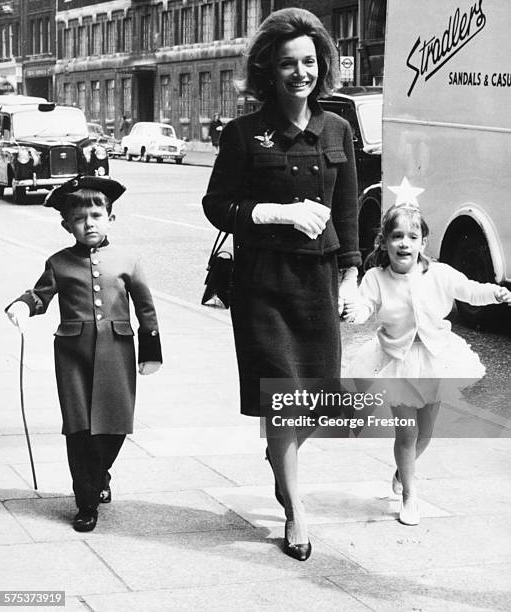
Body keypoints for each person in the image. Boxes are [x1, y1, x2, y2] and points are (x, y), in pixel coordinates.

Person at [202, 8, 361, 560]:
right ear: (269, 70)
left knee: (317, 402)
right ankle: (295, 511)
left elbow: (349, 215)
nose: (301, 72)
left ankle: (278, 455)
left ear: (324, 65)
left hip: (317, 283)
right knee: (283, 402)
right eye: (289, 63)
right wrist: (274, 213)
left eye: (310, 61)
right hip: (263, 287)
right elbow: (216, 205)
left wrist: (351, 276)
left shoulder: (338, 128)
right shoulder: (244, 133)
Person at [5, 176, 162, 532]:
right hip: (73, 356)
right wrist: (23, 306)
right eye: (79, 218)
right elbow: (41, 294)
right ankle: (86, 501)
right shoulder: (59, 262)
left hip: (118, 351)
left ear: (110, 218)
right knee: (79, 429)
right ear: (67, 225)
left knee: (115, 425)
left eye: (96, 214)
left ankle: (99, 472)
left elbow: (146, 308)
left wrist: (151, 349)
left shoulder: (128, 260)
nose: (89, 222)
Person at [346, 203, 511, 526]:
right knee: (406, 434)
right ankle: (410, 494)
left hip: (436, 359)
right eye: (396, 236)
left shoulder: (440, 274)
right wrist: (357, 311)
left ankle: (401, 471)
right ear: (384, 242)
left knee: (426, 433)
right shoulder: (377, 278)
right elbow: (366, 304)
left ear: (423, 242)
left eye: (412, 236)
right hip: (398, 361)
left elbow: (470, 291)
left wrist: (495, 293)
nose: (404, 243)